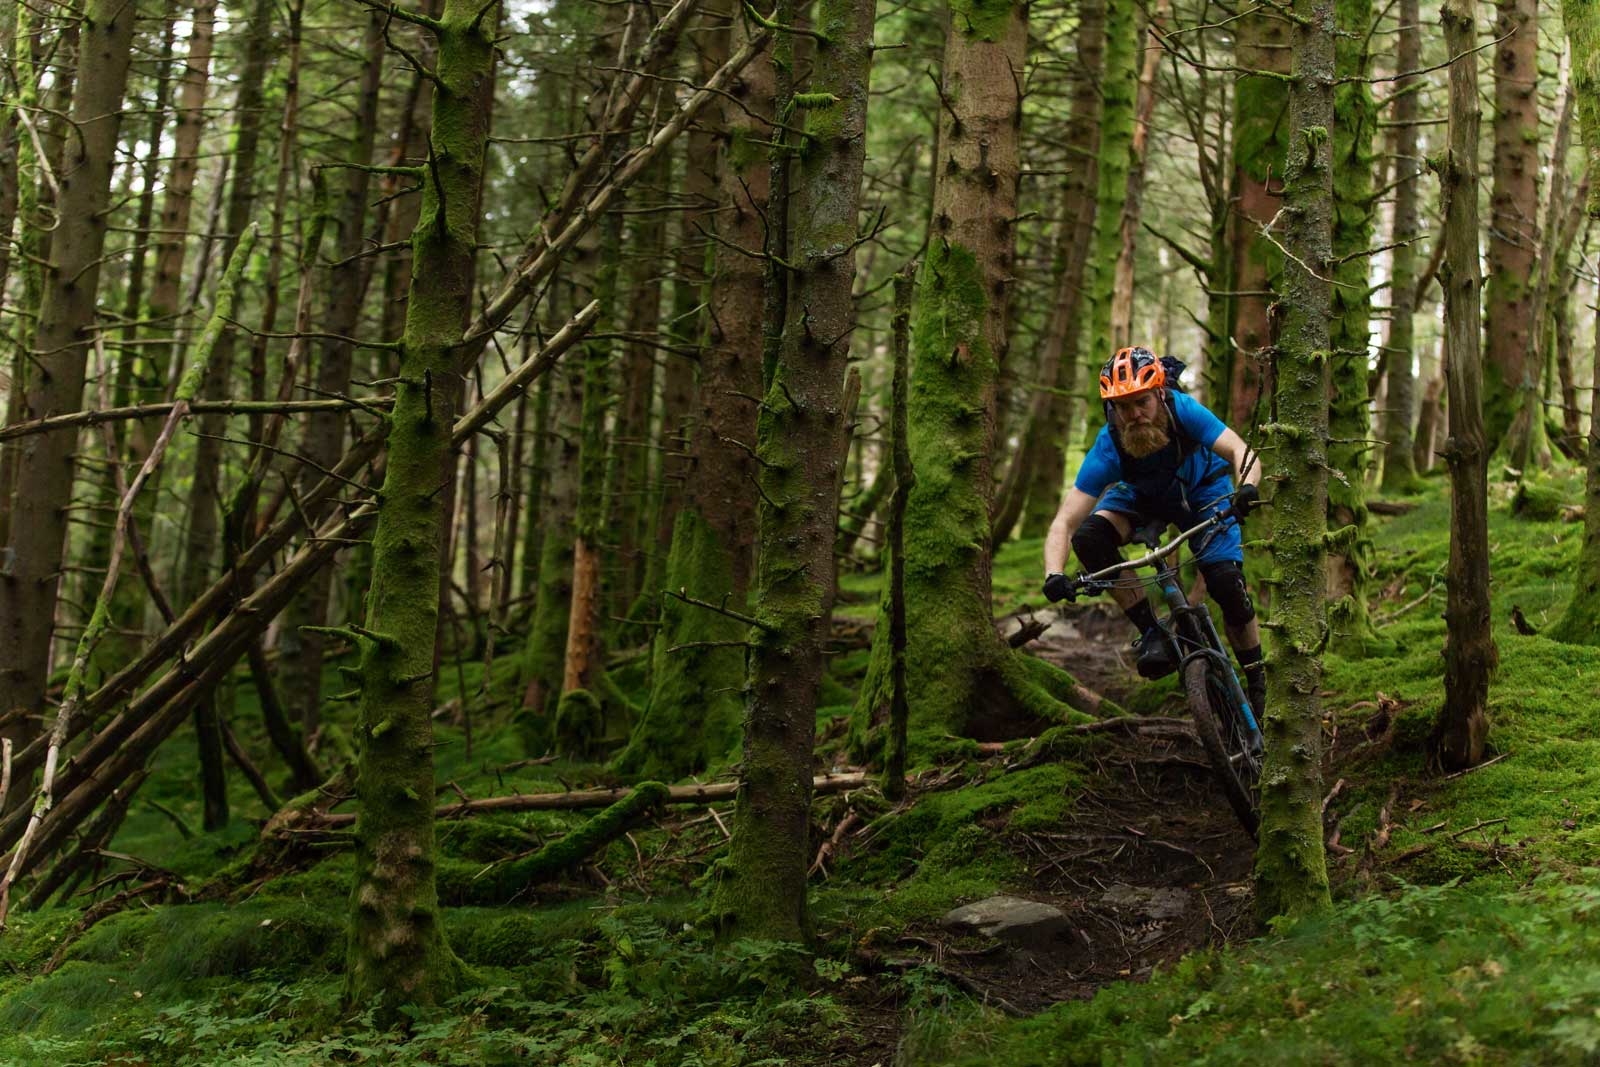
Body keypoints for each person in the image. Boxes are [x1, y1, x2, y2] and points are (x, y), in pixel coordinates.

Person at [1041, 345, 1266, 716]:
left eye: (1141, 402)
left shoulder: (1184, 411)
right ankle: (1152, 631)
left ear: (1160, 393)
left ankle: (1257, 682)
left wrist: (1247, 487)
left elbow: (1239, 450)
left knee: (1227, 585)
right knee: (1090, 538)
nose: (1134, 415)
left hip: (1203, 490)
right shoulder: (1109, 445)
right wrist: (1053, 574)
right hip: (1143, 497)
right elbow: (1065, 522)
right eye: (1122, 407)